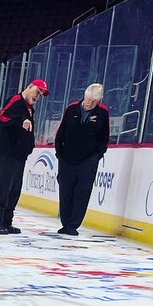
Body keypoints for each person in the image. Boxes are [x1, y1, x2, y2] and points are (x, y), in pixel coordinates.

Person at [0, 78, 48, 234]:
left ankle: (7, 222)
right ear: (30, 87)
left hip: (19, 155)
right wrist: (20, 120)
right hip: (8, 152)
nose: (38, 96)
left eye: (41, 94)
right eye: (37, 91)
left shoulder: (29, 107)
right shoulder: (16, 100)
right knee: (4, 187)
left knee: (14, 189)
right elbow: (2, 117)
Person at [54, 83, 110, 237]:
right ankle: (65, 223)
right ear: (85, 96)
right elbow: (61, 132)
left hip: (88, 160)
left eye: (94, 101)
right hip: (67, 158)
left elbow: (104, 137)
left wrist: (97, 155)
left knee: (82, 192)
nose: (90, 103)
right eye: (89, 99)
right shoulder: (72, 108)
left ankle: (73, 224)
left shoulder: (103, 112)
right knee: (66, 190)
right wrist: (59, 152)